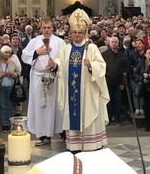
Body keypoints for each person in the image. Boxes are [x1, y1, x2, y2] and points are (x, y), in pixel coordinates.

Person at [47, 8, 110, 153]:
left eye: (80, 32)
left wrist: (91, 66)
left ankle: (92, 145)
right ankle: (75, 147)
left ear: (84, 33)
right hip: (72, 93)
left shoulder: (92, 48)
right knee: (73, 116)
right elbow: (60, 65)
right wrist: (54, 65)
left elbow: (102, 67)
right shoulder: (65, 50)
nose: (77, 35)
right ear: (70, 34)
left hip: (89, 93)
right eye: (74, 32)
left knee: (90, 117)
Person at [21, 17, 66, 146]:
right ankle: (43, 135)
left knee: (57, 105)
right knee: (41, 106)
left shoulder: (59, 42)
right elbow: (24, 55)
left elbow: (64, 59)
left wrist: (54, 65)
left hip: (54, 77)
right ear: (40, 28)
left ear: (53, 28)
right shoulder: (34, 41)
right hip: (38, 78)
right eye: (44, 28)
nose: (46, 30)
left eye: (49, 28)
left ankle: (63, 133)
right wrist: (36, 52)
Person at [0, 45, 21, 132]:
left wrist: (12, 74)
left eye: (9, 52)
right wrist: (1, 75)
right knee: (2, 105)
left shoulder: (12, 62)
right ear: (1, 53)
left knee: (10, 105)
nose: (8, 54)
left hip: (10, 86)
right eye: (6, 52)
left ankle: (10, 123)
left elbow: (18, 73)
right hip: (0, 87)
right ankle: (4, 124)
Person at [101, 37, 127, 126]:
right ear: (109, 43)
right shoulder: (104, 55)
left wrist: (123, 83)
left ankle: (117, 119)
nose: (114, 44)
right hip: (107, 81)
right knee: (108, 101)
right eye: (112, 42)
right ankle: (108, 118)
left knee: (118, 101)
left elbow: (125, 70)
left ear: (118, 43)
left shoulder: (122, 55)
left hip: (118, 82)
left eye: (116, 42)